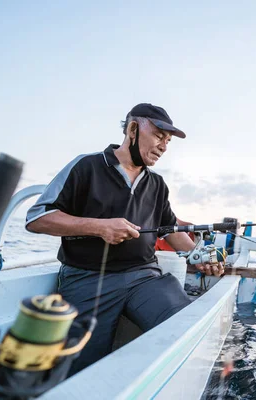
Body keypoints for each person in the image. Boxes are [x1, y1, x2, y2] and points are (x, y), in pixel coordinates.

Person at [25, 103, 224, 375]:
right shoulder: (86, 166)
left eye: (167, 141)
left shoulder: (157, 185)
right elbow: (36, 218)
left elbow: (168, 229)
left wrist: (199, 256)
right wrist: (100, 227)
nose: (164, 146)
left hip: (145, 277)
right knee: (79, 370)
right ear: (132, 128)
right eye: (158, 135)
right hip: (87, 279)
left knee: (186, 330)